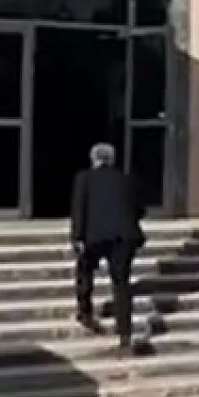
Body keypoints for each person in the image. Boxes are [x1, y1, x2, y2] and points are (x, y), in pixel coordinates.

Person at [71, 143, 146, 354]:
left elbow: (79, 208)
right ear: (112, 160)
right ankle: (125, 337)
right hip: (124, 237)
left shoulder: (84, 178)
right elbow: (139, 210)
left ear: (94, 159)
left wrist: (76, 237)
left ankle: (85, 311)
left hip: (94, 236)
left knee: (85, 269)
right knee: (121, 284)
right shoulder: (126, 179)